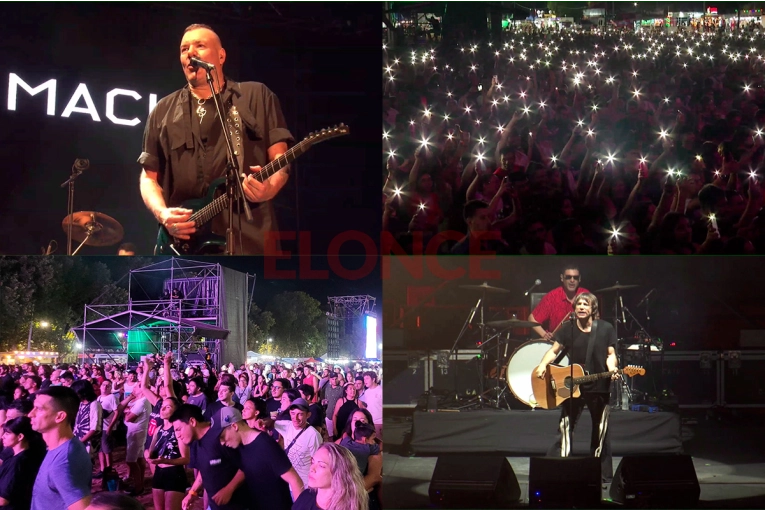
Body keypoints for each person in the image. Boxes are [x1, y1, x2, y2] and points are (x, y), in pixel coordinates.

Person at [138, 23, 294, 255]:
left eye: (200, 46)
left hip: (250, 237)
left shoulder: (256, 95)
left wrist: (270, 186)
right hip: (186, 241)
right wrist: (163, 213)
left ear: (221, 56)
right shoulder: (162, 110)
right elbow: (148, 177)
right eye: (184, 49)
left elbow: (280, 158)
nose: (190, 53)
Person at [534, 293, 619, 484]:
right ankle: (560, 468)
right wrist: (542, 365)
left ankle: (599, 474)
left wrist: (613, 368)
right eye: (578, 304)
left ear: (593, 309)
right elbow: (554, 351)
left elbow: (610, 354)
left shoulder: (605, 329)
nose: (581, 307)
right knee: (565, 426)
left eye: (585, 304)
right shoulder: (567, 329)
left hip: (599, 385)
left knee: (600, 430)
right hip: (573, 385)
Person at [216, 407, 303, 509]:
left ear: (234, 426)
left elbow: (295, 480)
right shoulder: (241, 446)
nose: (222, 443)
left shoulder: (265, 445)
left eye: (222, 437)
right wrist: (230, 488)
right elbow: (246, 468)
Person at [169, 404, 247, 510]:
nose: (177, 435)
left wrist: (229, 489)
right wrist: (192, 492)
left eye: (179, 429)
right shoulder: (196, 443)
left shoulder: (222, 437)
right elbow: (205, 469)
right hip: (214, 506)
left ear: (192, 421)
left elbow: (246, 465)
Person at [29, 386, 92, 510]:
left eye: (39, 409)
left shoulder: (63, 463)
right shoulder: (63, 447)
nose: (31, 414)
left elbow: (83, 507)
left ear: (60, 416)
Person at [291, 443, 368, 510]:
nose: (312, 469)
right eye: (313, 462)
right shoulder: (306, 496)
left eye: (321, 465)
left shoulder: (348, 507)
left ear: (338, 473)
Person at [528, 264, 591, 341]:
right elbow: (532, 319)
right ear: (562, 278)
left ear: (580, 279)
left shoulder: (586, 295)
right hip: (557, 343)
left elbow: (595, 320)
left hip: (582, 341)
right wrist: (544, 334)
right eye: (568, 277)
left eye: (575, 277)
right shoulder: (552, 296)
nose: (572, 280)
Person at [147, 396, 189, 510]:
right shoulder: (158, 429)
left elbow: (186, 458)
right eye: (162, 406)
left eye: (168, 407)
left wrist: (166, 460)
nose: (162, 409)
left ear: (175, 410)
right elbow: (151, 452)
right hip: (159, 472)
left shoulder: (178, 429)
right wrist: (148, 455)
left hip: (174, 473)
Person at [273, 398, 322, 487]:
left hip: (303, 485)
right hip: (287, 483)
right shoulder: (288, 426)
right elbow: (272, 423)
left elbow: (317, 462)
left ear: (308, 415)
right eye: (293, 413)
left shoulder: (313, 435)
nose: (295, 418)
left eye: (300, 414)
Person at [0, 417, 45, 509]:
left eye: (7, 433)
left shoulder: (19, 462)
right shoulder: (15, 456)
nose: (3, 436)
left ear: (20, 436)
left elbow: (3, 500)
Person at [358, 371, 382, 441]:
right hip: (371, 422)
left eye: (367, 378)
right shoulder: (367, 392)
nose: (365, 381)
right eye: (364, 379)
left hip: (380, 422)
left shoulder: (381, 391)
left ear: (373, 379)